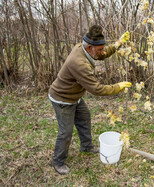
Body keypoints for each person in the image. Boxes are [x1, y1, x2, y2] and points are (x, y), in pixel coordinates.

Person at [48, 25, 131, 174]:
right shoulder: (79, 63)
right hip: (63, 99)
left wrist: (118, 44)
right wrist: (117, 87)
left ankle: (86, 146)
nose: (102, 51)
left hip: (75, 96)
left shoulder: (84, 48)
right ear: (90, 48)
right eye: (99, 49)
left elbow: (101, 54)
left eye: (102, 48)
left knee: (84, 118)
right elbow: (96, 89)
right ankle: (58, 161)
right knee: (65, 132)